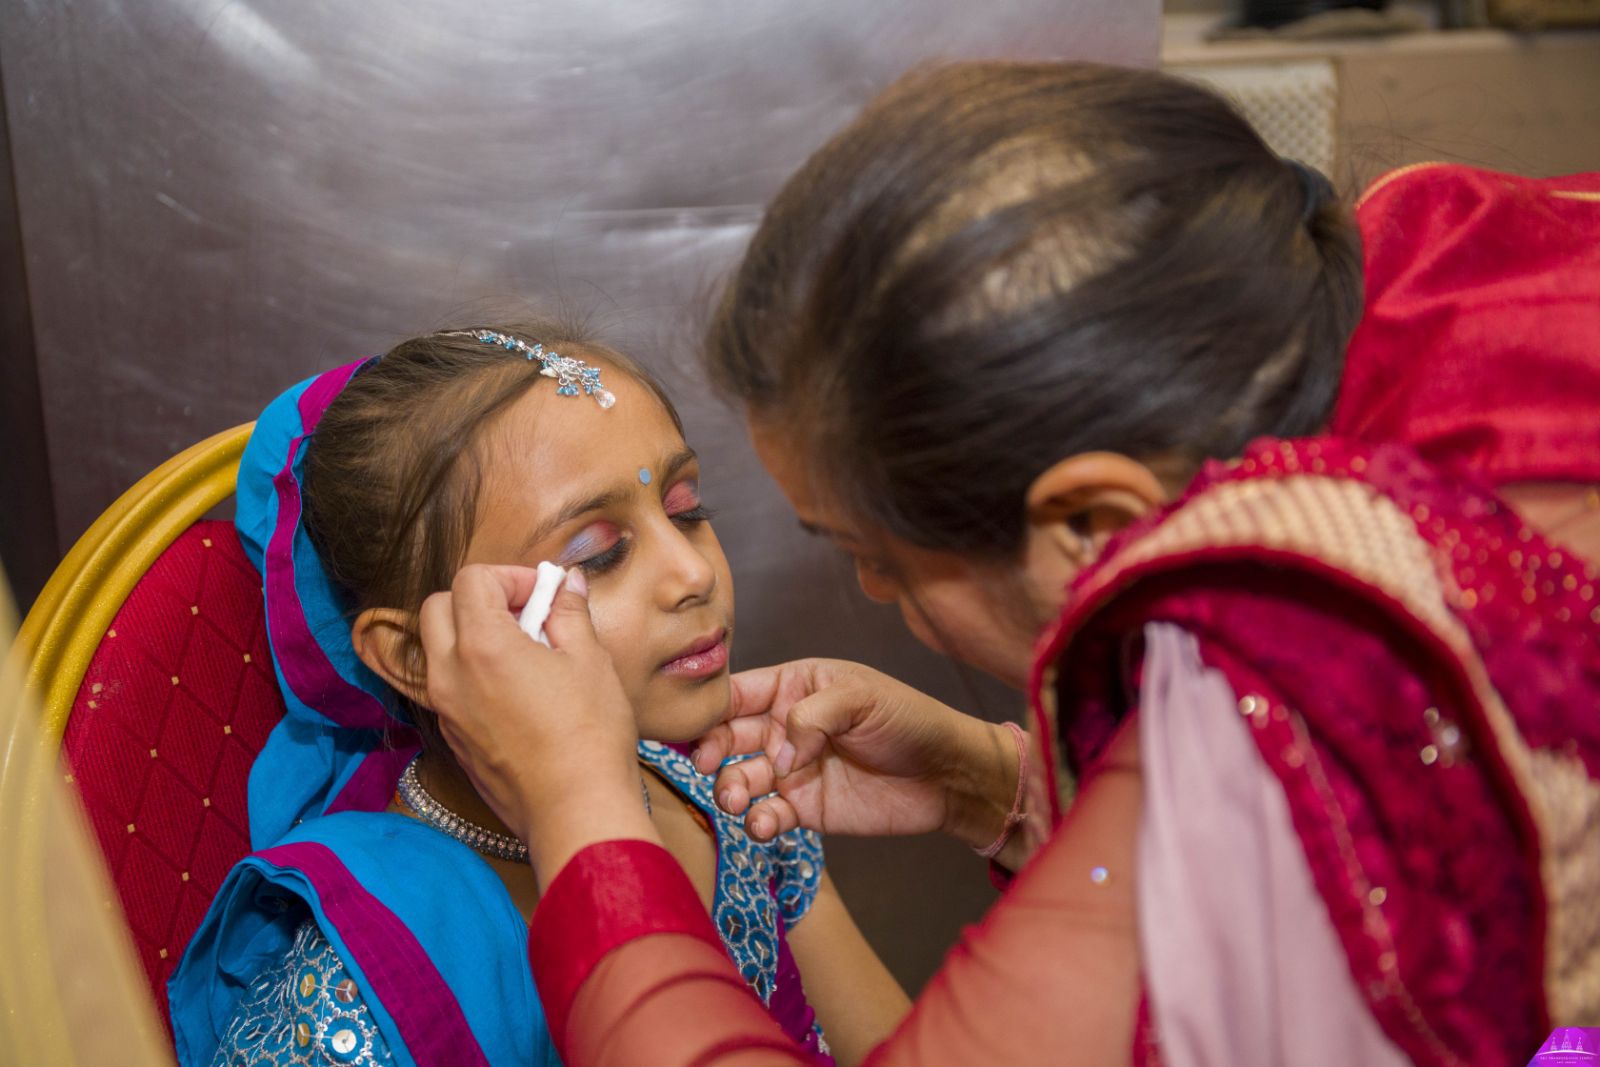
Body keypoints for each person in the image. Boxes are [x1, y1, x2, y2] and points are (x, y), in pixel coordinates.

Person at [411, 63, 1600, 1066]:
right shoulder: (1444, 313)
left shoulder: (1310, 650)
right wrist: (991, 779)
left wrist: (579, 805)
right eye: (603, 549)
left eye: (877, 557)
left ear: (1089, 521)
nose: (689, 578)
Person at [167, 324, 908, 1066]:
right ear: (416, 654)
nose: (692, 572)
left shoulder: (726, 788)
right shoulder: (348, 1004)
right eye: (598, 554)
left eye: (686, 508)